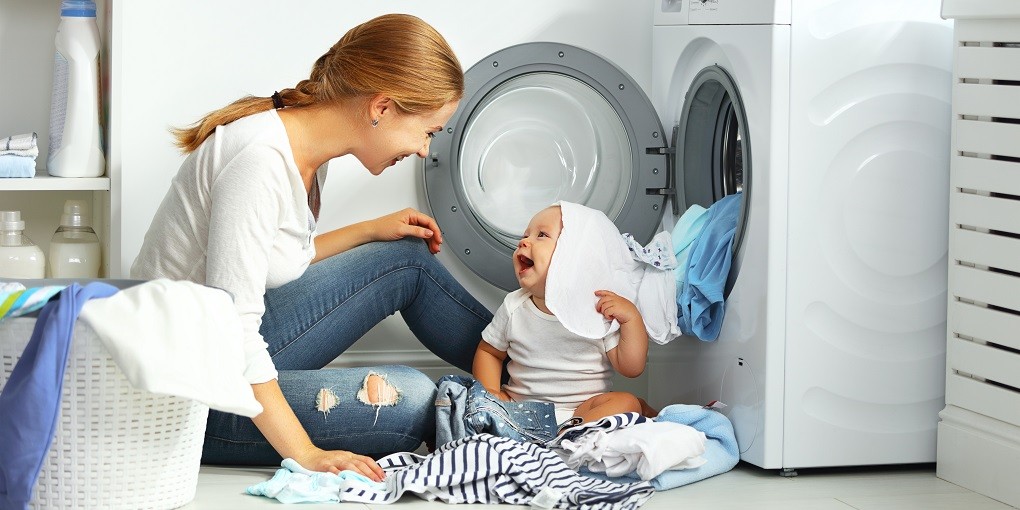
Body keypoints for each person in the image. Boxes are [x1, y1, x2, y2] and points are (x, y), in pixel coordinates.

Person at [130, 13, 493, 482]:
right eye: (428, 131)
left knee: (405, 257)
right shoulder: (259, 162)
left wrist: (368, 229)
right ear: (381, 107)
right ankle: (511, 408)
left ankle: (536, 377)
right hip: (188, 396)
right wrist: (305, 453)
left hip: (217, 351)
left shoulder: (306, 152)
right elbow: (234, 329)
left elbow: (271, 260)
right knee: (410, 398)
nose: (425, 150)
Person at [472, 204, 658, 430]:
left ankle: (572, 432)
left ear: (574, 255)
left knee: (626, 402)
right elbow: (489, 352)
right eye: (525, 235)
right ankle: (559, 436)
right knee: (469, 402)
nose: (524, 241)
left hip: (584, 410)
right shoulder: (514, 306)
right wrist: (491, 392)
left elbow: (631, 367)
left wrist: (631, 319)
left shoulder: (597, 309)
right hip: (521, 408)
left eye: (541, 235)